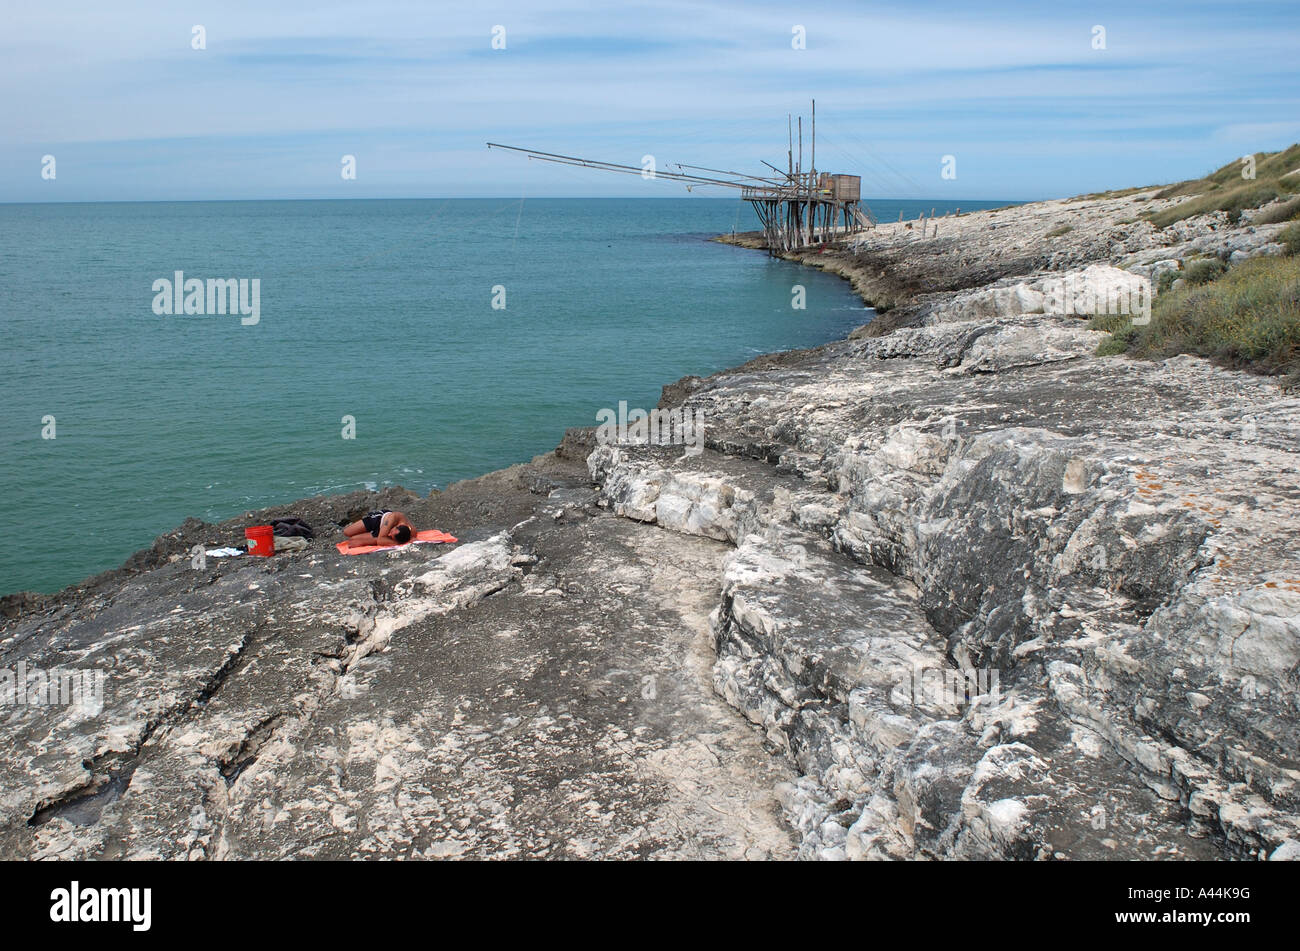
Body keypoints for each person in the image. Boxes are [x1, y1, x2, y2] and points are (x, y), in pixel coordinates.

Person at [340, 510, 415, 548]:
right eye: (391, 532)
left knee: (352, 540)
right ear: (396, 526)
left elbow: (413, 535)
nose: (389, 534)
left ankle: (373, 536)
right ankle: (372, 534)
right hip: (377, 520)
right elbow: (380, 541)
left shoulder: (409, 531)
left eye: (391, 536)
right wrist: (399, 544)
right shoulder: (393, 518)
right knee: (347, 532)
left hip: (380, 531)